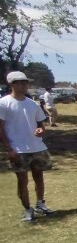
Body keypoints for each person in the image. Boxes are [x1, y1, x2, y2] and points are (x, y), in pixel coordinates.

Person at [0, 71, 54, 222]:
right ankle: (27, 209)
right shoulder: (3, 103)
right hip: (18, 149)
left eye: (25, 82)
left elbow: (41, 125)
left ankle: (40, 204)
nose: (24, 85)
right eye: (20, 82)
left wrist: (40, 130)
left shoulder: (32, 104)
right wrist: (9, 148)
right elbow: (1, 128)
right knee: (22, 181)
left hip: (36, 147)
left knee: (39, 177)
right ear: (12, 84)